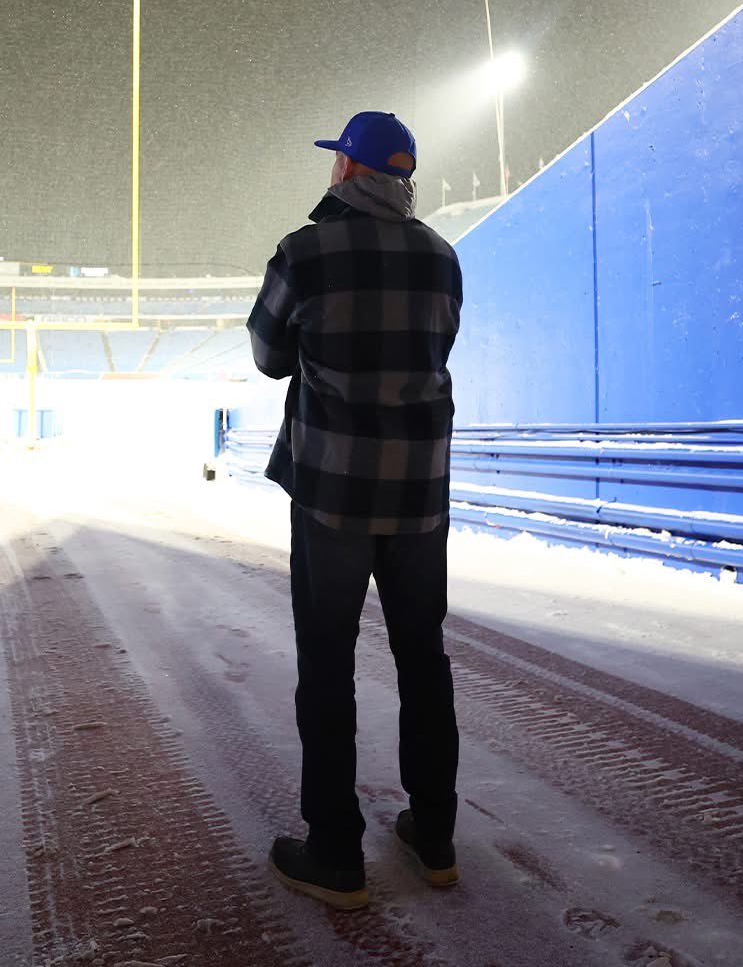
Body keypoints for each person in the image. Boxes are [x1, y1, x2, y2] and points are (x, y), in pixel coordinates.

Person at [247, 111, 463, 910]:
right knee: (423, 659)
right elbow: (433, 352)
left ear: (346, 169)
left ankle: (337, 853)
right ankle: (434, 836)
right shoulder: (442, 257)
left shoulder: (305, 252)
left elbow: (270, 358)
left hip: (334, 494)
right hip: (418, 495)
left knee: (328, 668)